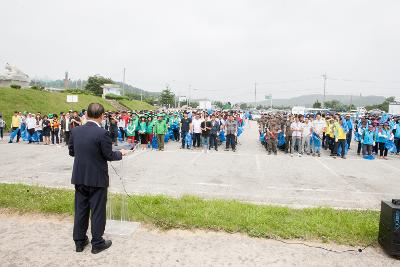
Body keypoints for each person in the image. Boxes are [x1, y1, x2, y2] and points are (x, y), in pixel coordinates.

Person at [68, 103, 128, 254]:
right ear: (102, 116)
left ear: (86, 114)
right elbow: (108, 155)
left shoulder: (76, 131)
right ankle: (97, 242)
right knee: (97, 211)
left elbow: (72, 152)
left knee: (81, 209)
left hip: (80, 176)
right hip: (97, 178)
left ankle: (79, 242)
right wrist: (121, 153)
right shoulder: (102, 133)